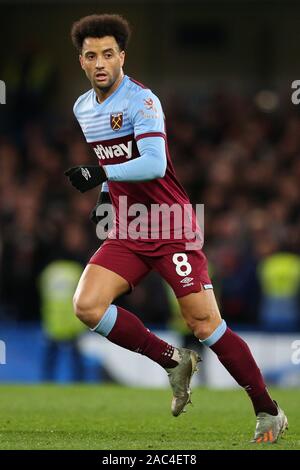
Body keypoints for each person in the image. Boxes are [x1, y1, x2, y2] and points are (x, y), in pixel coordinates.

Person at [65, 13, 287, 443]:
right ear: (81, 61)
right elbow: (120, 167)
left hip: (170, 225)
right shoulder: (82, 108)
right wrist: (107, 198)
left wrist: (100, 176)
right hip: (128, 228)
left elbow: (152, 163)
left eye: (108, 54)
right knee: (87, 305)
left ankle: (267, 409)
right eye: (91, 56)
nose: (100, 63)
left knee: (205, 324)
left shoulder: (142, 101)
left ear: (122, 56)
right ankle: (172, 359)